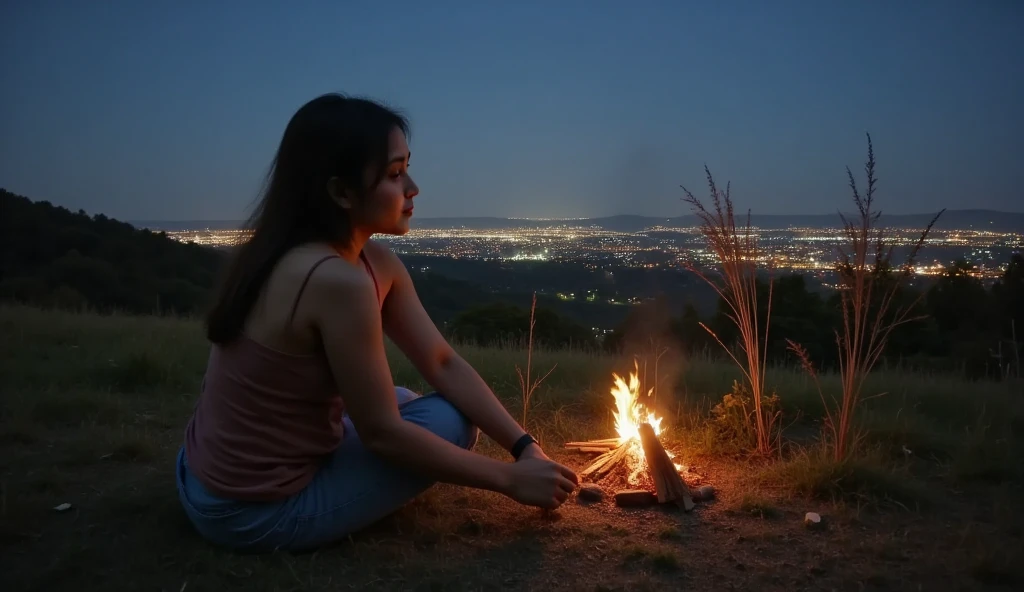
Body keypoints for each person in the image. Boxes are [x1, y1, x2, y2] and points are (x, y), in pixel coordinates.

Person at [175, 93, 579, 552]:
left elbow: (442, 362)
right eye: (393, 174)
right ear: (341, 192)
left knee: (409, 398)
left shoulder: (354, 259)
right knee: (451, 422)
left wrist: (524, 445)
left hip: (200, 470)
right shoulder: (333, 281)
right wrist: (511, 480)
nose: (412, 187)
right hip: (248, 511)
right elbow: (381, 434)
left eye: (407, 167)